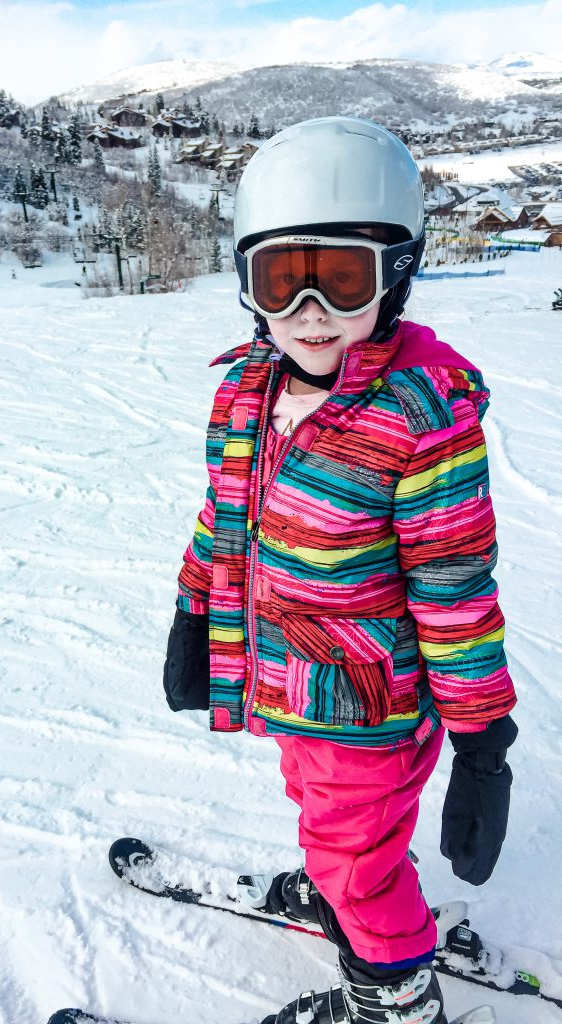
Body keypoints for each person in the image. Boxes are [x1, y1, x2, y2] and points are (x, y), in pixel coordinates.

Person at [163, 117, 517, 1024]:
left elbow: (453, 589)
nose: (309, 309)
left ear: (397, 272)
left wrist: (482, 741)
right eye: (282, 280)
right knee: (327, 817)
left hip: (372, 705)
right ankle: (345, 885)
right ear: (251, 287)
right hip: (291, 681)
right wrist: (195, 608)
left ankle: (392, 998)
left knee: (356, 861)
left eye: (342, 276)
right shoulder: (251, 388)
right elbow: (225, 513)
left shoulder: (420, 415)